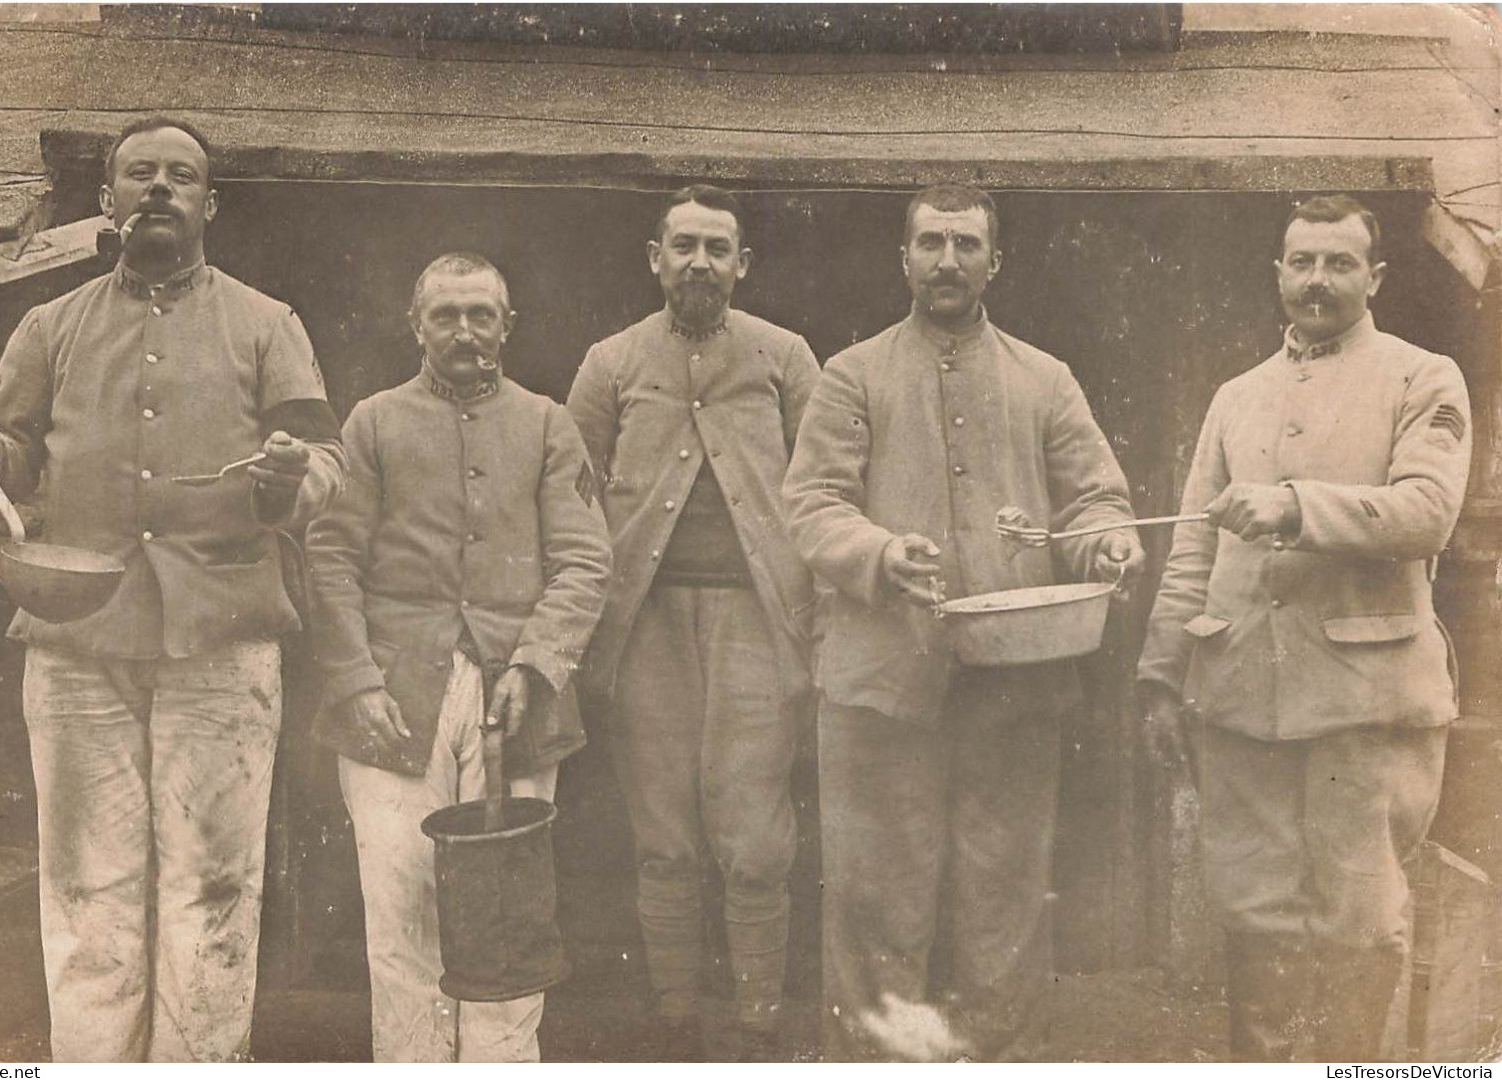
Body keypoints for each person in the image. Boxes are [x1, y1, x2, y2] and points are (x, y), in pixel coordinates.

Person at [0, 116, 346, 1061]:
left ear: (211, 202)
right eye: (139, 173)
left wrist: (292, 477)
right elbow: (11, 463)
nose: (160, 188)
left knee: (213, 888)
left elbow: (324, 460)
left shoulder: (266, 323)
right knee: (86, 888)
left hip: (224, 642)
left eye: (181, 175)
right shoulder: (51, 325)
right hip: (78, 639)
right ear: (106, 199)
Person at [783, 183, 1140, 1061]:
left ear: (993, 262)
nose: (947, 260)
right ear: (903, 258)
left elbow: (1095, 498)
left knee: (1004, 898)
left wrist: (1105, 546)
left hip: (1012, 686)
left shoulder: (1043, 378)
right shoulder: (851, 374)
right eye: (931, 243)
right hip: (878, 684)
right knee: (874, 900)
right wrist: (878, 554)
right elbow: (810, 504)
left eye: (966, 245)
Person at [1136, 195, 1472, 1062]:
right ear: (1277, 273)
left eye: (1337, 263)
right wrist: (1161, 677)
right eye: (1301, 262)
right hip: (1241, 700)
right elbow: (1191, 549)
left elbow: (1426, 512)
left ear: (1375, 276)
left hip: (1365, 707)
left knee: (1359, 925)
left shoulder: (1421, 377)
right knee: (1253, 913)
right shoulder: (1235, 396)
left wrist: (1292, 506)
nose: (1316, 280)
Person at [307, 252, 610, 1062]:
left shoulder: (547, 423)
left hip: (515, 699)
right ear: (416, 325)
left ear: (507, 325)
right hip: (395, 698)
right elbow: (329, 557)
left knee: (505, 921)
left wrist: (535, 661)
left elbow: (585, 561)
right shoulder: (372, 422)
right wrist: (356, 681)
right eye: (446, 314)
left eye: (483, 314)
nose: (466, 330)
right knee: (401, 907)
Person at [565, 184, 819, 1060]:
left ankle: (757, 1024)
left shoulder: (785, 357)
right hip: (647, 627)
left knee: (753, 836)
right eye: (684, 246)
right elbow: (573, 495)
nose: (699, 263)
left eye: (717, 248)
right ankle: (674, 1020)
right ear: (655, 258)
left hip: (757, 621)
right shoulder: (610, 362)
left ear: (742, 265)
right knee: (663, 837)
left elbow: (822, 486)